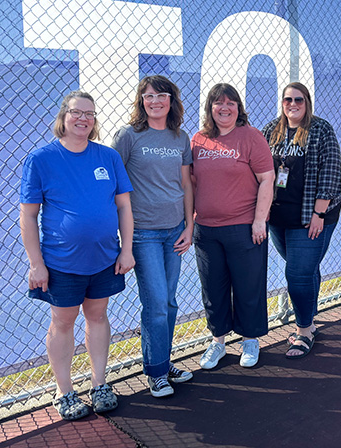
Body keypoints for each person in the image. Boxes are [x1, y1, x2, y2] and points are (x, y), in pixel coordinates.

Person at [20, 91, 134, 420]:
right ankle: (65, 391)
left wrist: (126, 250)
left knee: (97, 317)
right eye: (76, 113)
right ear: (63, 117)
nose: (83, 118)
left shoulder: (108, 157)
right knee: (63, 322)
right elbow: (28, 216)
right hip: (61, 263)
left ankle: (99, 384)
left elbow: (124, 206)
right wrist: (36, 264)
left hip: (104, 259)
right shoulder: (41, 159)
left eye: (90, 114)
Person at [112, 76, 194, 399]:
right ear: (141, 101)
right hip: (143, 234)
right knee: (156, 304)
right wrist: (124, 240)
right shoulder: (129, 136)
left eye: (162, 95)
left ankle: (163, 360)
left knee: (170, 303)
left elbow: (187, 185)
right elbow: (115, 185)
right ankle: (156, 372)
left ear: (171, 101)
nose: (155, 100)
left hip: (175, 231)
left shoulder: (180, 137)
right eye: (149, 96)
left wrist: (189, 226)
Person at [191, 83, 275, 369]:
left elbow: (267, 178)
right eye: (218, 103)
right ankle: (218, 342)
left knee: (247, 286)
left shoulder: (251, 137)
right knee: (213, 288)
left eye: (230, 103)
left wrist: (259, 220)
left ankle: (250, 340)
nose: (224, 108)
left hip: (243, 228)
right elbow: (191, 184)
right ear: (210, 108)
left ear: (239, 108)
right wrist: (190, 220)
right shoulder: (199, 140)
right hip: (206, 230)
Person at [262, 83, 341, 359]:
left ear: (307, 102)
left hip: (311, 216)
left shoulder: (321, 130)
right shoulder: (271, 130)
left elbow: (330, 174)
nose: (292, 104)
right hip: (278, 218)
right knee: (303, 269)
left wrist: (319, 214)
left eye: (298, 99)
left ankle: (304, 330)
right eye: (287, 99)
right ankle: (311, 317)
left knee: (297, 274)